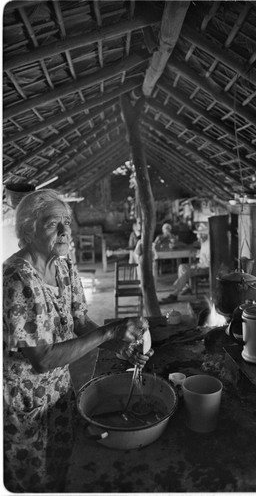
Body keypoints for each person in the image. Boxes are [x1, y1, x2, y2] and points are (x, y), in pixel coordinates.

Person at [2, 189, 154, 492]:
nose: (63, 231)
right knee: (34, 479)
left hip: (61, 390)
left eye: (66, 223)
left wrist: (122, 347)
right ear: (29, 230)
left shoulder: (64, 266)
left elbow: (81, 320)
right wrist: (110, 332)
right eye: (51, 224)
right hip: (28, 400)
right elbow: (42, 358)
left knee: (64, 470)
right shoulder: (17, 280)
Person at [159, 223, 210, 303]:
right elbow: (193, 247)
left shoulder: (209, 245)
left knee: (186, 271)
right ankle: (186, 287)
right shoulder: (203, 243)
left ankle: (174, 294)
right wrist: (198, 254)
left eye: (199, 235)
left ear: (204, 235)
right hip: (200, 265)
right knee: (182, 267)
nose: (197, 237)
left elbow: (208, 264)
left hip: (205, 268)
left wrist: (197, 266)